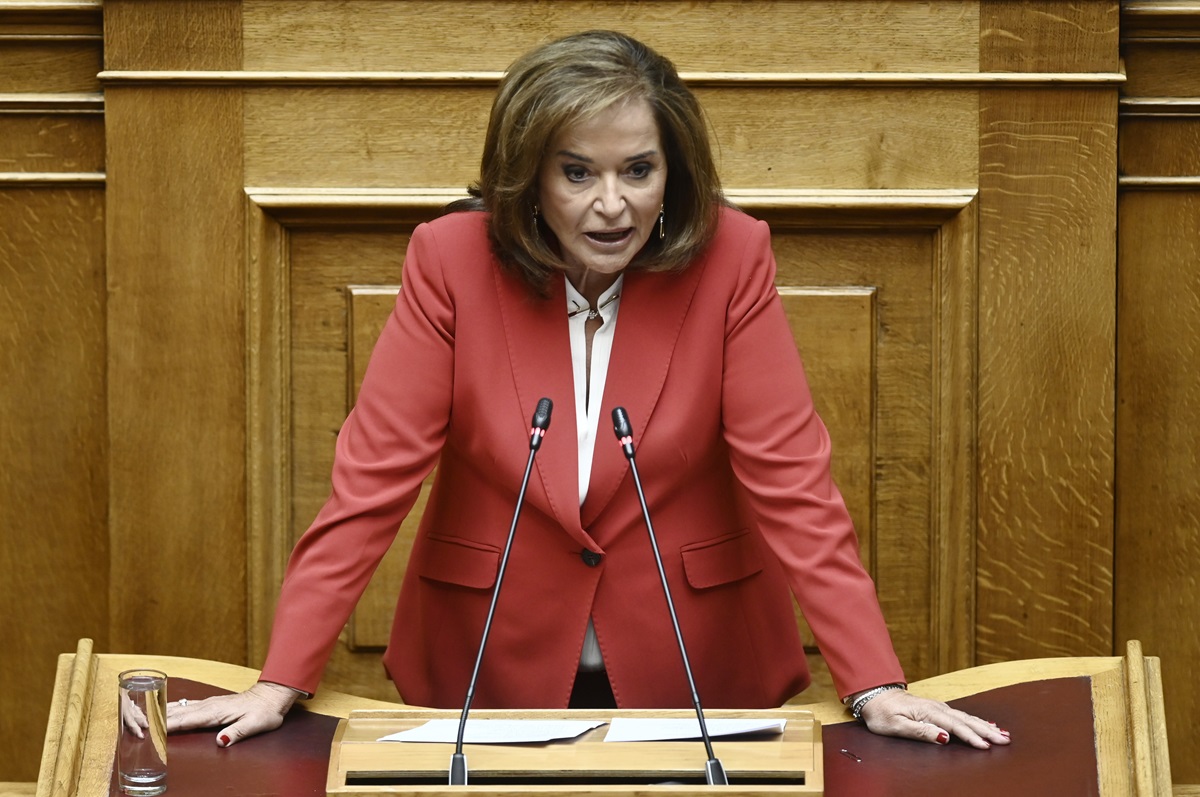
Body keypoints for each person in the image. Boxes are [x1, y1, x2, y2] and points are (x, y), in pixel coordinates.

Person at [169, 30, 1010, 752]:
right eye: (577, 173)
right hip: (490, 661)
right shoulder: (451, 260)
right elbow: (371, 481)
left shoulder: (731, 258)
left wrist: (873, 682)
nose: (612, 205)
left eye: (638, 170)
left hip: (694, 664)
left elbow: (794, 480)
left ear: (673, 172)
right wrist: (282, 677)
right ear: (528, 176)